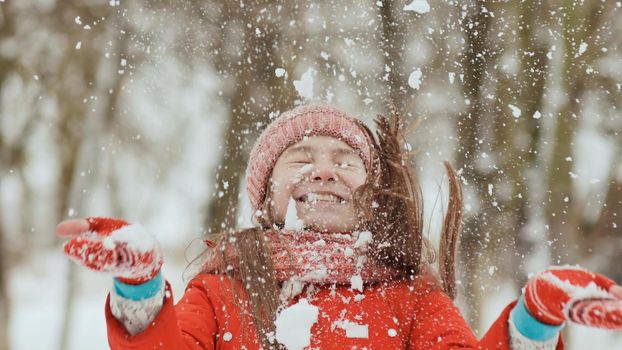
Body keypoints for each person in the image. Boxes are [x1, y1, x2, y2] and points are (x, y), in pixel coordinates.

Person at [57, 105, 622, 349]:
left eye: (345, 160)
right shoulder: (220, 291)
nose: (323, 168)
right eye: (300, 156)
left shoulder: (413, 300)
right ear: (266, 196)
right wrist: (140, 290)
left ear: (371, 197)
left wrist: (534, 321)